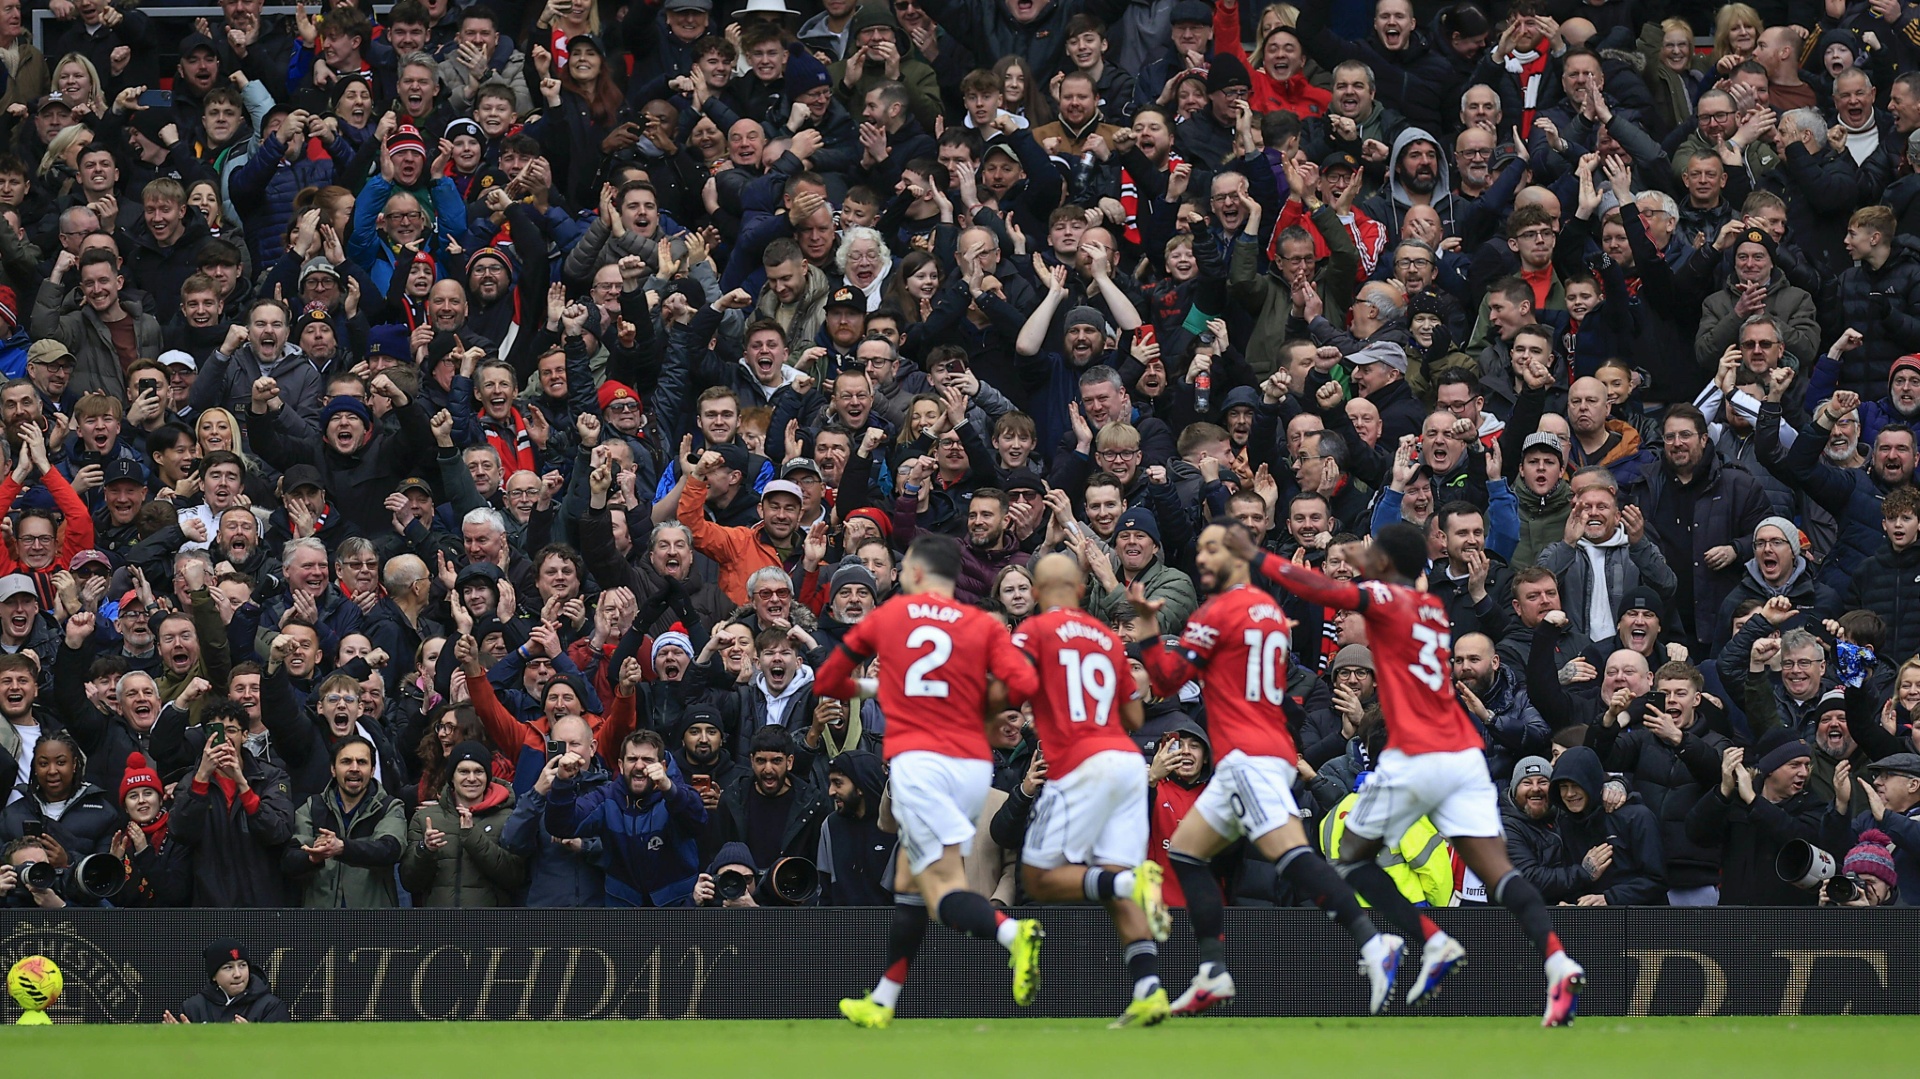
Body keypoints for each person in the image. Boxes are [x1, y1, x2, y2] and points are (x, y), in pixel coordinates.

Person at [1234, 523, 1587, 1026]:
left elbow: (1321, 589)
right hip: (1463, 754)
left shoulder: (1387, 597)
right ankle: (1557, 960)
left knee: (1350, 858)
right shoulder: (1432, 608)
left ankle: (1433, 941)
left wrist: (1257, 556)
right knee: (1499, 872)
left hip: (1416, 754)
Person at [1132, 523, 1403, 1018]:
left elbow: (1168, 679)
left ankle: (1372, 941)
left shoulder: (1215, 613)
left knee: (1292, 855)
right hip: (1261, 749)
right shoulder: (1270, 611)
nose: (1203, 558)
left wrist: (1148, 629)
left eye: (1213, 549)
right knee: (1188, 853)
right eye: (1200, 549)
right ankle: (1213, 971)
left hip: (1247, 755)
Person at [817, 533, 1042, 1028]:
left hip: (921, 764)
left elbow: (828, 681)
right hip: (973, 768)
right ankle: (883, 999)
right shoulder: (980, 622)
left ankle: (1013, 935)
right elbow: (1024, 684)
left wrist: (879, 687)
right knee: (909, 882)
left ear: (916, 572)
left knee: (942, 889)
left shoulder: (891, 616)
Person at [1010, 553, 1167, 1027]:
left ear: (1036, 593)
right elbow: (1135, 715)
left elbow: (1008, 689)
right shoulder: (1106, 638)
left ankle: (1129, 883)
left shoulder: (1033, 631)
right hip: (1126, 761)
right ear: (1081, 591)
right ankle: (1149, 989)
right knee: (1112, 877)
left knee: (1038, 879)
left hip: (1079, 764)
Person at [162, 939, 289, 1024]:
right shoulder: (193, 1007)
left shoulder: (271, 1006)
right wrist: (181, 1039)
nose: (237, 974)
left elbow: (282, 1049)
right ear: (214, 976)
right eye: (228, 967)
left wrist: (252, 1038)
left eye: (242, 965)